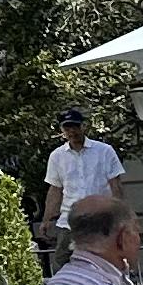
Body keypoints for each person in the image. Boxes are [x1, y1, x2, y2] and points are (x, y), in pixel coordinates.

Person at [37, 106, 124, 247]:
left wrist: (120, 215)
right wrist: (46, 219)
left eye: (75, 126)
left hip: (100, 218)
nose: (72, 131)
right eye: (67, 128)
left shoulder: (104, 151)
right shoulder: (57, 156)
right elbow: (55, 190)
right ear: (62, 130)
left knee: (102, 259)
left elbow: (116, 185)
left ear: (83, 126)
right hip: (69, 221)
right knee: (63, 261)